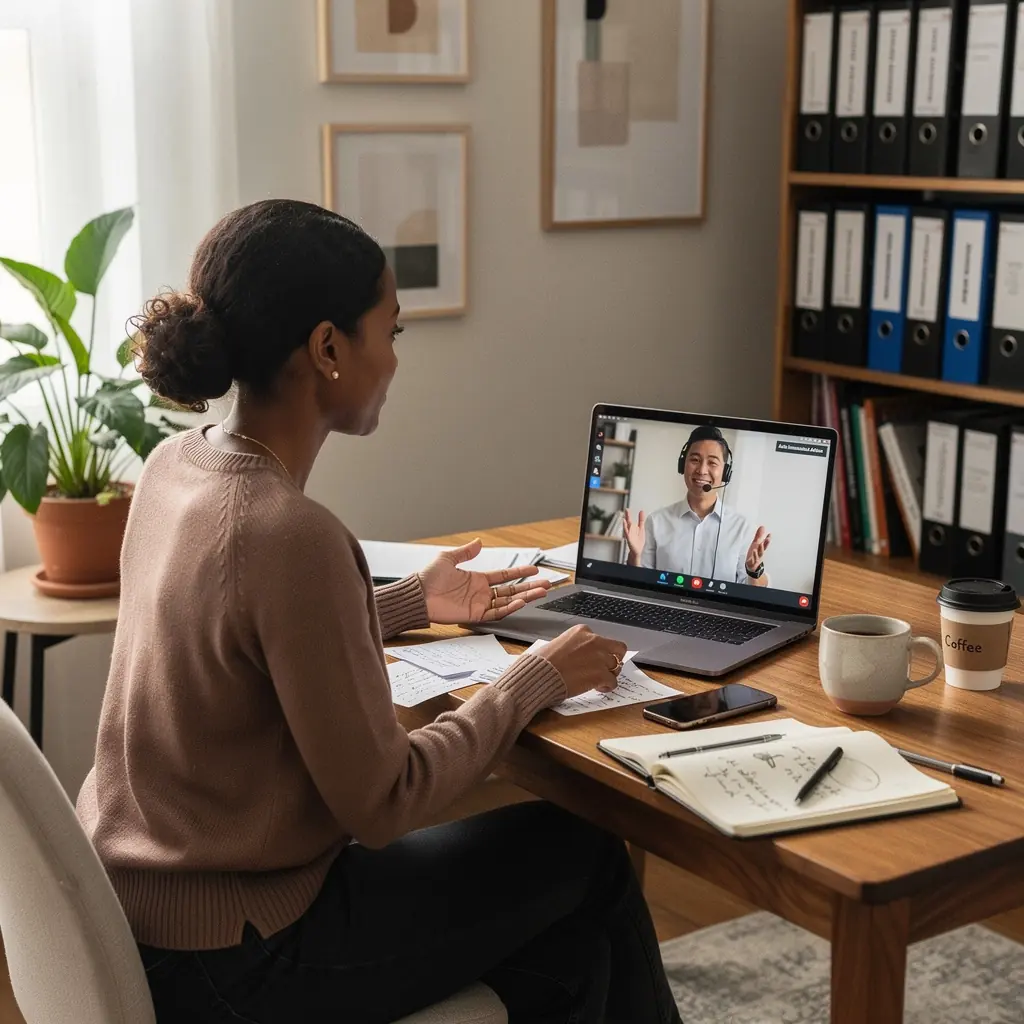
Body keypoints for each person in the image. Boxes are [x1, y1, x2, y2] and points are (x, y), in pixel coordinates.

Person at [76, 199, 682, 1024]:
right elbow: (384, 802)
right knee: (586, 856)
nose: (396, 360)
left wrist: (405, 603)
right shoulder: (292, 535)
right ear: (329, 347)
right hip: (244, 958)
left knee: (572, 956)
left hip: (150, 919)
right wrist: (532, 679)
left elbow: (240, 634)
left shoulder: (175, 465)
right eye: (390, 332)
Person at [623, 425, 771, 586]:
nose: (702, 470)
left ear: (725, 473)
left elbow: (753, 593)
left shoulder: (742, 528)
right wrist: (634, 555)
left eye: (712, 463)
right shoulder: (656, 521)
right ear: (682, 465)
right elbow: (639, 585)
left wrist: (754, 570)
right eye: (695, 460)